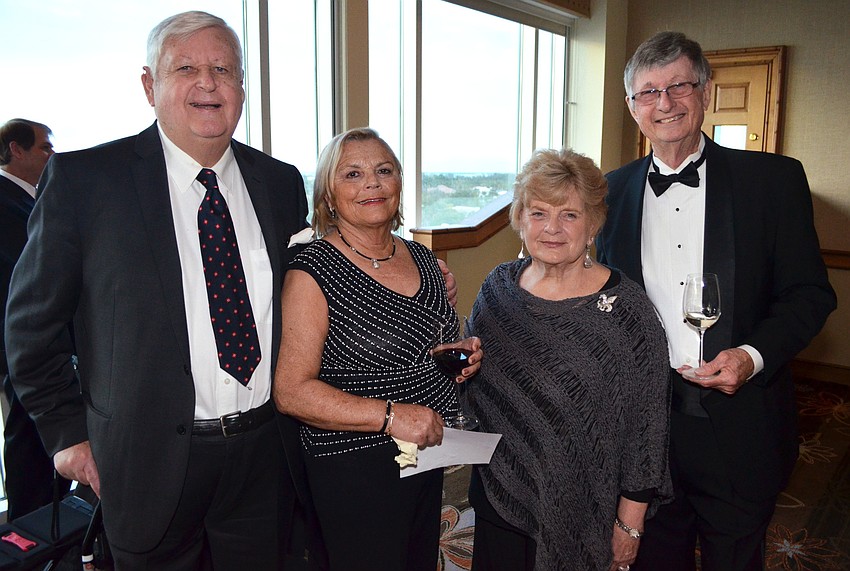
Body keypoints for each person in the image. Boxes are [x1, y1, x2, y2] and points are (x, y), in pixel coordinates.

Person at [4, 11, 309, 569]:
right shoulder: (86, 182)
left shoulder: (281, 183)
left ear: (242, 86)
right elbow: (30, 328)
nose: (208, 82)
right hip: (145, 462)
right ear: (150, 85)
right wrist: (68, 436)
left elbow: (305, 302)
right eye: (186, 67)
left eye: (223, 68)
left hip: (265, 458)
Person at [596, 31, 837, 571]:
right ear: (632, 107)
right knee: (656, 560)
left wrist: (750, 357)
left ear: (705, 91)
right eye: (648, 92)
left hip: (739, 423)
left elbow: (810, 294)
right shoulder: (610, 192)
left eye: (679, 86)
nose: (665, 104)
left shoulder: (773, 180)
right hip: (646, 427)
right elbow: (593, 288)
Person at [273, 127, 482, 571]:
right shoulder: (312, 271)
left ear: (399, 183)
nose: (371, 183)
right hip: (355, 469)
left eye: (383, 170)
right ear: (328, 195)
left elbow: (430, 347)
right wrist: (392, 416)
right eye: (353, 174)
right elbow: (291, 391)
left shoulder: (424, 259)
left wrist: (460, 358)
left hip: (430, 455)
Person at [465, 148, 672, 571]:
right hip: (499, 493)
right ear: (520, 220)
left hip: (582, 510)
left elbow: (646, 431)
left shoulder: (628, 312)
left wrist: (629, 528)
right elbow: (472, 381)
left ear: (593, 224)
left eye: (570, 215)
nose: (552, 228)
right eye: (538, 213)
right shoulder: (497, 289)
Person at [0, 118, 72, 521]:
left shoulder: (31, 199)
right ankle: (32, 540)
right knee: (31, 448)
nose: (52, 155)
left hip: (45, 350)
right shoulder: (6, 204)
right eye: (45, 147)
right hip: (24, 352)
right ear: (17, 150)